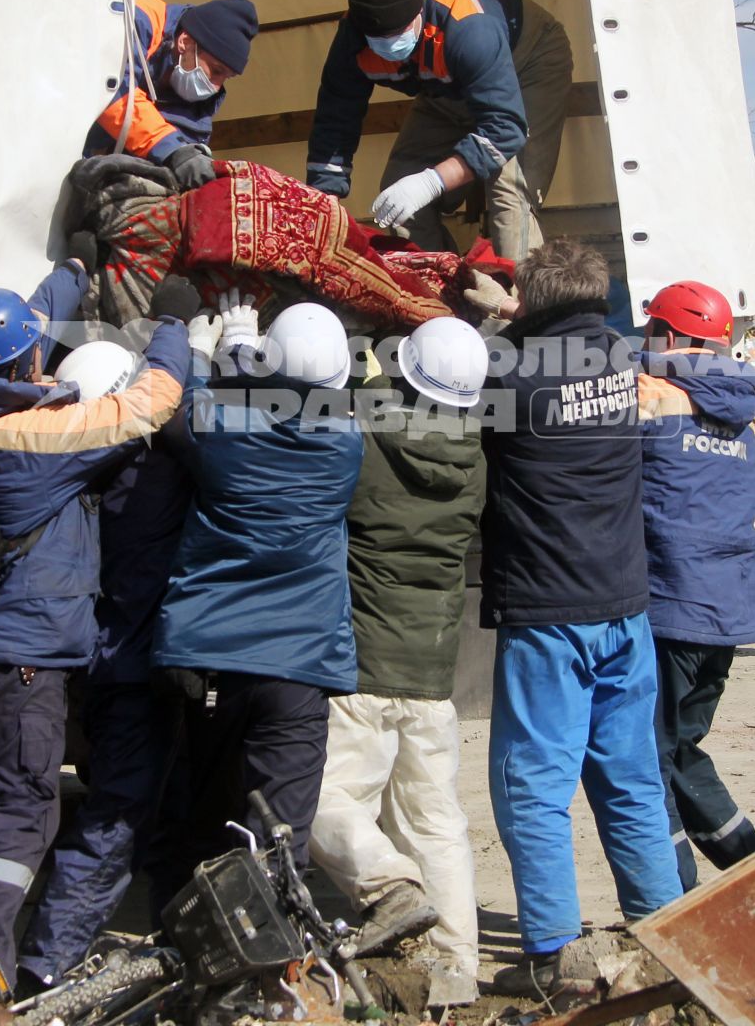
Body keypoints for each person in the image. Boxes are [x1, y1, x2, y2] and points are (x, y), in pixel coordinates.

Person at [0, 252, 192, 1026]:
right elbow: (147, 403)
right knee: (23, 814)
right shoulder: (41, 439)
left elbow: (5, 336)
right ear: (28, 358)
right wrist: (175, 323)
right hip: (17, 660)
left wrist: (69, 274)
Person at [468, 240, 681, 998]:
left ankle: (553, 951)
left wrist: (485, 315)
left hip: (548, 610)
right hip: (625, 605)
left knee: (532, 781)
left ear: (529, 303)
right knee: (629, 779)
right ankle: (664, 936)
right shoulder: (621, 361)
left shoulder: (508, 374)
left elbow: (453, 391)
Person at [148, 299, 364, 903]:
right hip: (300, 662)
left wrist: (200, 352)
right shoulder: (346, 444)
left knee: (201, 818)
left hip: (209, 653)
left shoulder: (220, 428)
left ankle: (190, 953)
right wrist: (247, 356)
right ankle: (272, 972)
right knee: (280, 841)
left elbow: (180, 412)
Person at [308, 317, 489, 1004]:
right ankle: (455, 972)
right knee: (434, 819)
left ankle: (389, 886)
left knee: (324, 801)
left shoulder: (366, 434)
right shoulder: (476, 457)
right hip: (432, 668)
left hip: (362, 660)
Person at [16, 324, 202, 992]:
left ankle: (186, 945)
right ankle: (44, 967)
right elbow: (179, 404)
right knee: (120, 818)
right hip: (137, 669)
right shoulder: (148, 476)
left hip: (100, 665)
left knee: (170, 812)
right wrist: (181, 334)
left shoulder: (62, 466)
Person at [635, 281, 755, 892]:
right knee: (682, 750)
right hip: (728, 611)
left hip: (674, 610)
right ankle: (754, 872)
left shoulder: (652, 404)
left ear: (671, 338)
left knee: (648, 759)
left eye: (650, 332)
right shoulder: (743, 422)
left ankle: (677, 900)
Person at [306, 0, 572, 261]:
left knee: (509, 193)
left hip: (527, 59)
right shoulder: (351, 40)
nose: (390, 43)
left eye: (399, 32)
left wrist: (432, 181)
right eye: (378, 38)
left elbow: (504, 129)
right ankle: (439, 297)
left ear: (419, 13)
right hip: (446, 82)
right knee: (399, 192)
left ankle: (522, 303)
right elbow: (336, 117)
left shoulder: (470, 27)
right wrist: (324, 200)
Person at [86, 0, 259, 185]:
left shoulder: (199, 108)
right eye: (216, 70)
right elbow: (111, 87)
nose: (216, 86)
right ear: (185, 42)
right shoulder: (136, 18)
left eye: (227, 77)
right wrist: (172, 150)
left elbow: (184, 158)